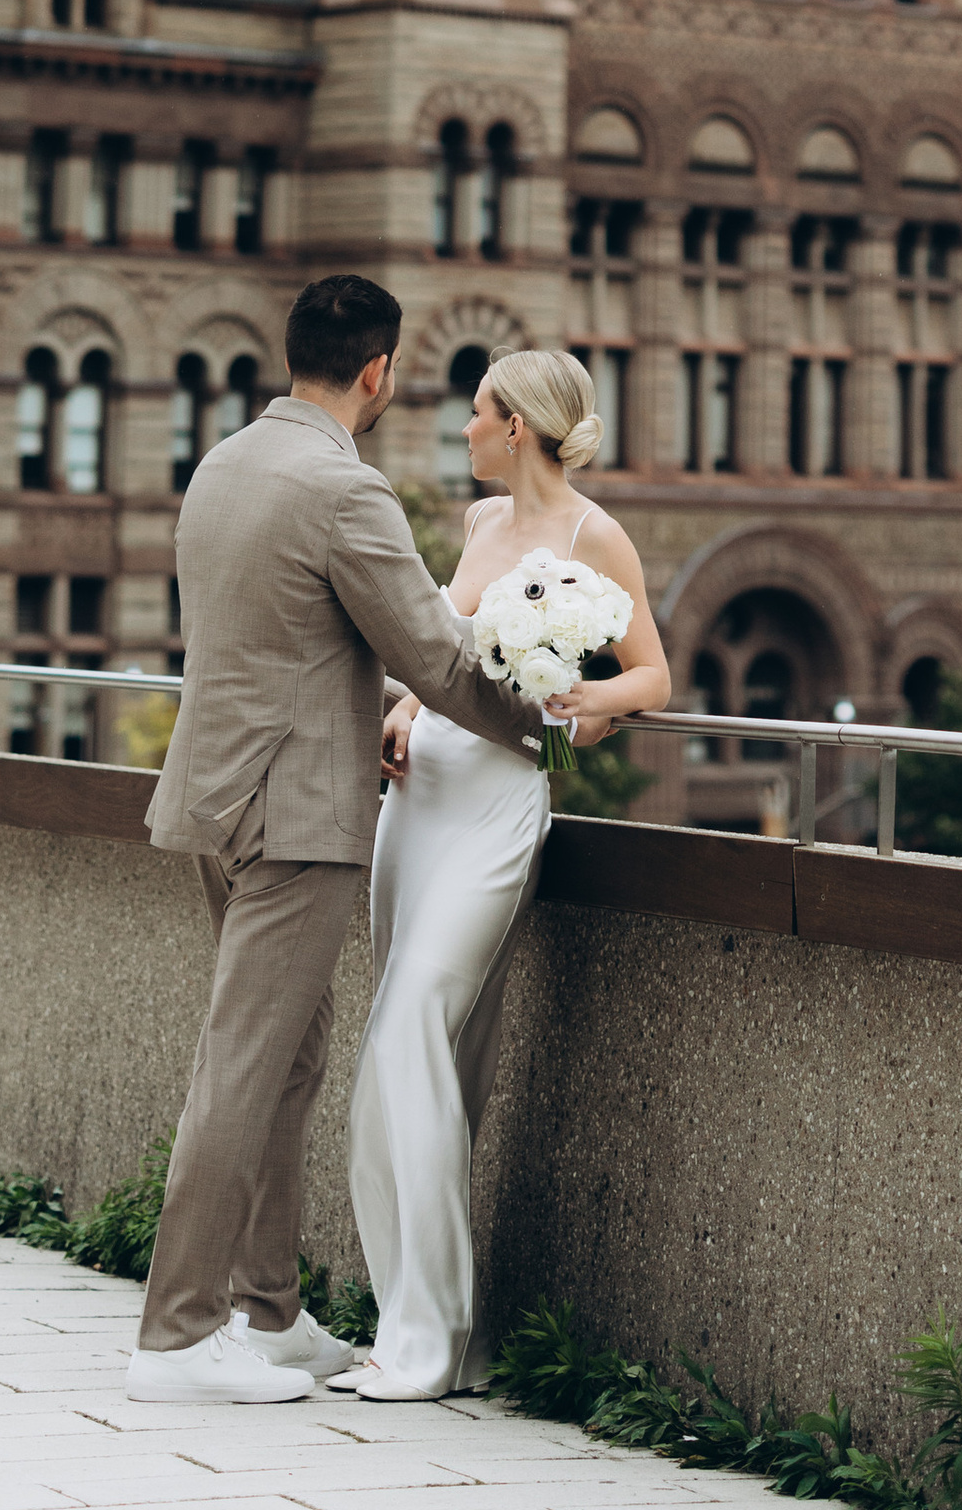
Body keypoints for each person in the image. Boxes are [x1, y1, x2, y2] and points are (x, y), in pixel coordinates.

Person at [126, 273, 562, 1407]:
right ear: (378, 371)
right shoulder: (343, 490)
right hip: (296, 817)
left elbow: (274, 637)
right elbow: (438, 657)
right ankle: (175, 1334)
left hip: (217, 797)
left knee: (287, 1055)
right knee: (243, 1061)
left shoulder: (224, 462)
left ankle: (269, 1313)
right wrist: (548, 726)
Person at [330, 346, 671, 1402]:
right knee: (429, 1054)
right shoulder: (478, 527)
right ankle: (427, 1327)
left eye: (475, 414)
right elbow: (447, 661)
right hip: (415, 797)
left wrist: (583, 713)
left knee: (405, 1034)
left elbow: (652, 674)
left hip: (497, 807)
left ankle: (426, 1341)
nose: (461, 428)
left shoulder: (592, 534)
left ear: (516, 425)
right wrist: (398, 711)